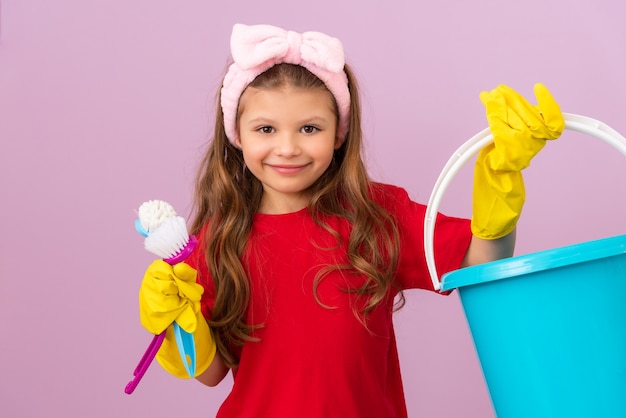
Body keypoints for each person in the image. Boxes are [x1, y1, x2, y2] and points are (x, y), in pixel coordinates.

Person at [137, 23, 564, 417]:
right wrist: (173, 318)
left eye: (310, 129)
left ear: (339, 133)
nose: (287, 148)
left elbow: (478, 265)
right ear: (237, 135)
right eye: (265, 129)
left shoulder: (376, 216)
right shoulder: (216, 241)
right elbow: (209, 374)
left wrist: (500, 189)